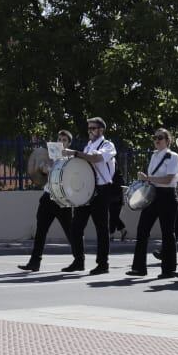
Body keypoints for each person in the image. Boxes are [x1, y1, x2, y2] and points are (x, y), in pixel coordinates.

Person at [18, 129, 84, 272]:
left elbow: (71, 178)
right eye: (59, 139)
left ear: (69, 143)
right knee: (40, 231)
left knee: (70, 232)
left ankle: (79, 260)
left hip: (62, 200)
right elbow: (41, 174)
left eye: (64, 140)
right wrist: (43, 168)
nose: (61, 142)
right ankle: (34, 262)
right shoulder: (50, 156)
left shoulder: (71, 159)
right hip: (48, 197)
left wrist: (54, 169)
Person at [64, 116, 117, 274]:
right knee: (76, 226)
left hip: (101, 190)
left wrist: (74, 153)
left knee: (101, 228)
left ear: (101, 130)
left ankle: (103, 264)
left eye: (93, 128)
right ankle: (78, 261)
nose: (90, 131)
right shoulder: (88, 146)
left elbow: (95, 158)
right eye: (89, 128)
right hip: (87, 190)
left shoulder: (107, 145)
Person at [128, 129, 178, 278]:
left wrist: (148, 178)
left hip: (167, 196)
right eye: (155, 137)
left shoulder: (173, 156)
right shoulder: (154, 155)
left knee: (168, 233)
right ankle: (139, 268)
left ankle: (169, 270)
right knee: (142, 230)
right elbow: (152, 178)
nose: (157, 140)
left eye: (160, 137)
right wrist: (145, 179)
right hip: (153, 195)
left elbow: (169, 179)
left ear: (167, 140)